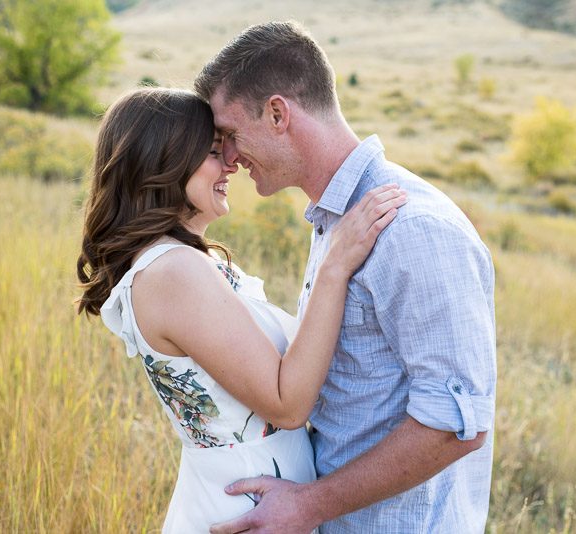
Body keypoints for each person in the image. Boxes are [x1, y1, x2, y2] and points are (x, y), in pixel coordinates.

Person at [195, 21, 497, 534]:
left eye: (230, 135)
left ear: (277, 114)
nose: (228, 157)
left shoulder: (412, 229)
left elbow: (455, 426)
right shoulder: (338, 221)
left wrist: (310, 505)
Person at [75, 87, 406, 533]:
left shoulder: (187, 261)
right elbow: (287, 405)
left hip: (261, 503)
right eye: (213, 152)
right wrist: (335, 266)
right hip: (243, 508)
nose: (231, 163)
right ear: (164, 164)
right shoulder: (173, 271)